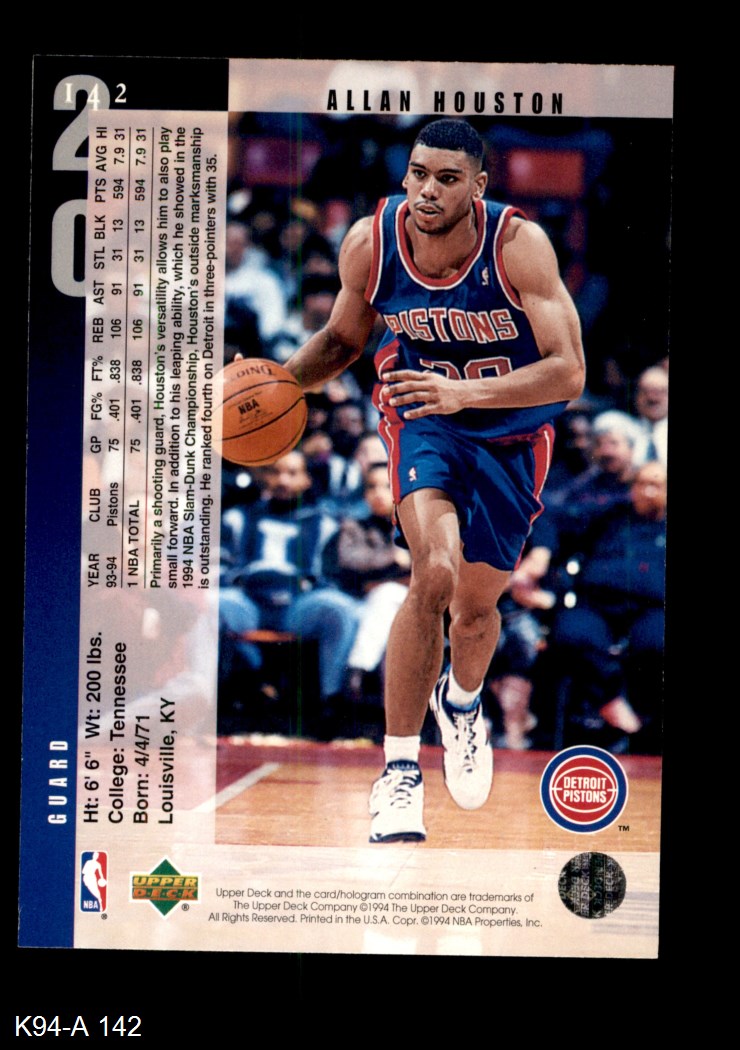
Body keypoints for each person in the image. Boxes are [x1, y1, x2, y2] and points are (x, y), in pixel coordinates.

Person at [284, 118, 585, 842]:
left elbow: (568, 371)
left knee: (476, 613)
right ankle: (398, 772)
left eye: (447, 179)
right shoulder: (372, 241)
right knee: (435, 573)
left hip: (512, 433)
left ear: (477, 186)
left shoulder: (518, 245)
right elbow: (343, 341)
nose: (427, 190)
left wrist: (465, 393)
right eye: (419, 173)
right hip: (423, 420)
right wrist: (276, 387)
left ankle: (462, 701)